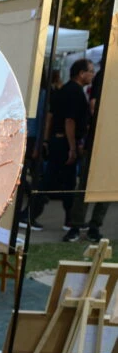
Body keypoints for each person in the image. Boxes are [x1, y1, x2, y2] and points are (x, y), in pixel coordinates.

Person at [29, 58, 94, 231]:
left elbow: (50, 117)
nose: (92, 75)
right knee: (53, 181)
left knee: (65, 182)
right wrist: (72, 147)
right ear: (81, 73)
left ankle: (69, 219)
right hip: (64, 143)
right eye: (90, 71)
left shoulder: (63, 89)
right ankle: (30, 215)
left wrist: (46, 139)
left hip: (58, 141)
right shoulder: (75, 92)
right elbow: (69, 121)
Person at [63, 66, 111, 243]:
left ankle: (94, 226)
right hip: (98, 140)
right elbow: (93, 104)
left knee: (107, 187)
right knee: (85, 184)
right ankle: (76, 225)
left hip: (111, 144)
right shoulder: (106, 73)